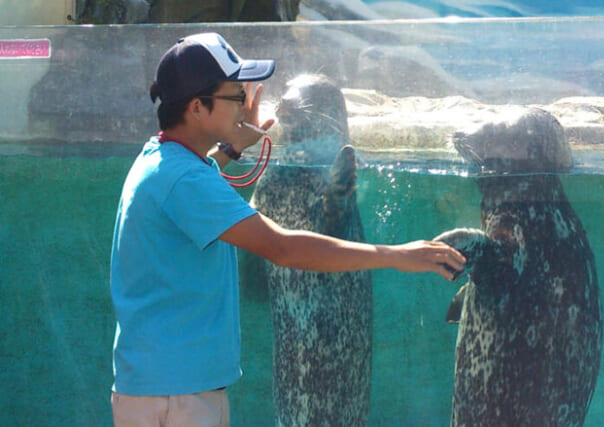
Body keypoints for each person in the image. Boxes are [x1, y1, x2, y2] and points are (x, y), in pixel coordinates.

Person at [109, 32, 466, 427]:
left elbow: (192, 186)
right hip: (178, 393)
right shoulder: (186, 182)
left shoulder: (158, 161)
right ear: (197, 107)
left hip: (154, 381)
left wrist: (229, 150)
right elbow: (280, 248)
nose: (246, 105)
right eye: (234, 97)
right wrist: (397, 255)